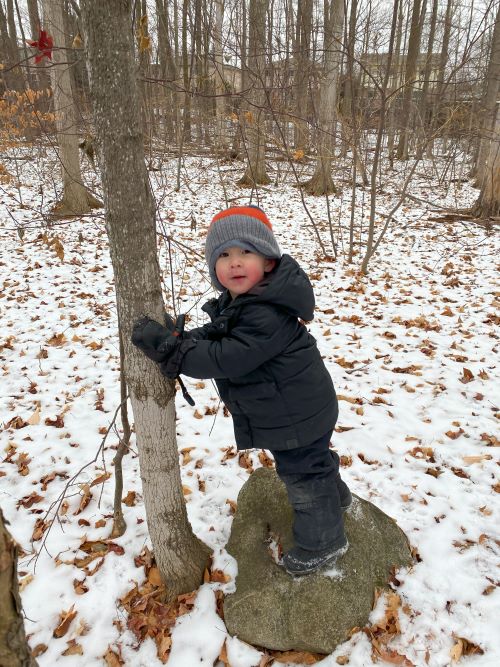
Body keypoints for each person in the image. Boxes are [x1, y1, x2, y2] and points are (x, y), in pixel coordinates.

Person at [131, 205, 351, 575]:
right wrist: (184, 339)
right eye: (224, 255)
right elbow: (218, 335)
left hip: (296, 413)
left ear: (267, 261)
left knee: (302, 472)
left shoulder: (265, 313)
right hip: (300, 407)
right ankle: (336, 498)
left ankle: (324, 541)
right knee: (312, 461)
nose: (234, 262)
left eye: (245, 252)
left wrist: (174, 351)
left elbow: (226, 356)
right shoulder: (249, 301)